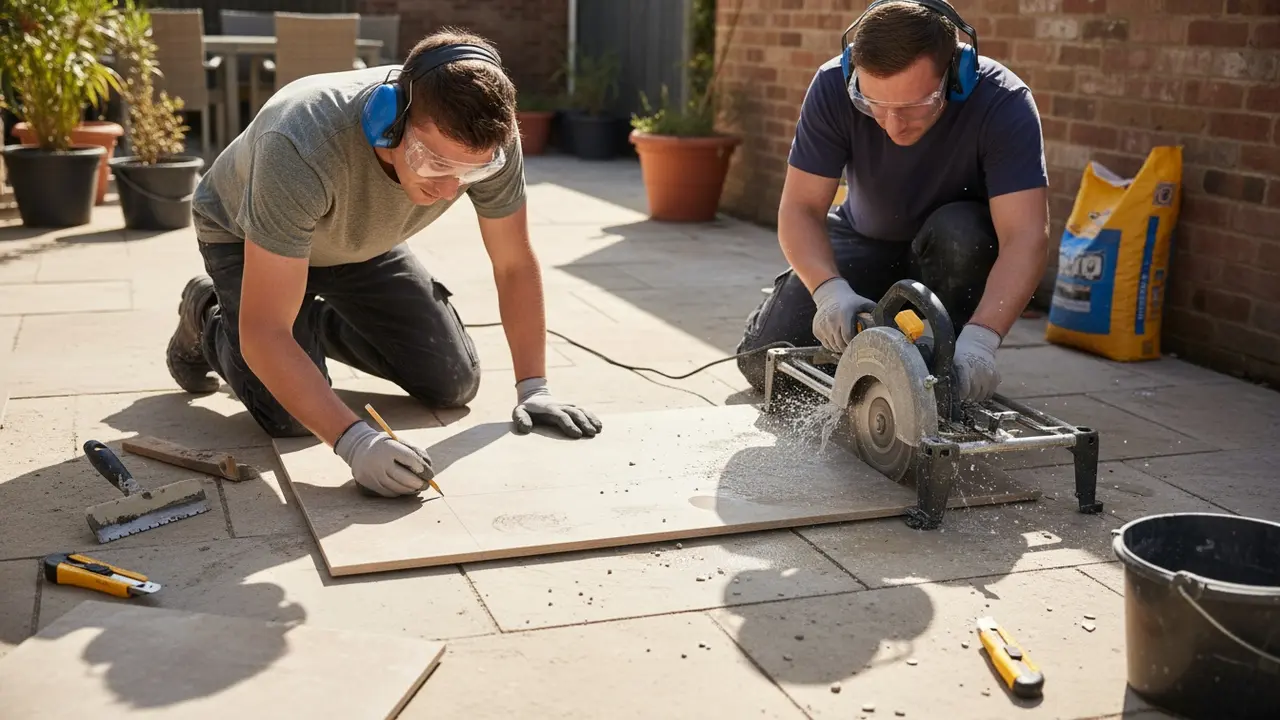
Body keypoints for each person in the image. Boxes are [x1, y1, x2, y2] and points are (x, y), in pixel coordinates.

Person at [164, 29, 603, 498]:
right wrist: (353, 441)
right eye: (435, 163)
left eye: (469, 172)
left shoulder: (490, 144)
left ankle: (306, 319)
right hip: (244, 233)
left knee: (452, 383)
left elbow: (514, 263)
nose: (450, 189)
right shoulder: (298, 141)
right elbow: (265, 330)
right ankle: (209, 312)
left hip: (361, 242)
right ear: (387, 122)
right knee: (288, 416)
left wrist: (533, 386)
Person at [734, 0, 1049, 404]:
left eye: (913, 107)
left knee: (963, 238)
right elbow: (800, 209)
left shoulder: (1003, 102)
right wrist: (829, 292)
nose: (893, 124)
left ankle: (949, 356)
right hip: (863, 235)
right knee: (765, 367)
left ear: (956, 76)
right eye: (873, 105)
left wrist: (982, 341)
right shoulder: (833, 86)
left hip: (951, 254)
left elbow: (1026, 236)